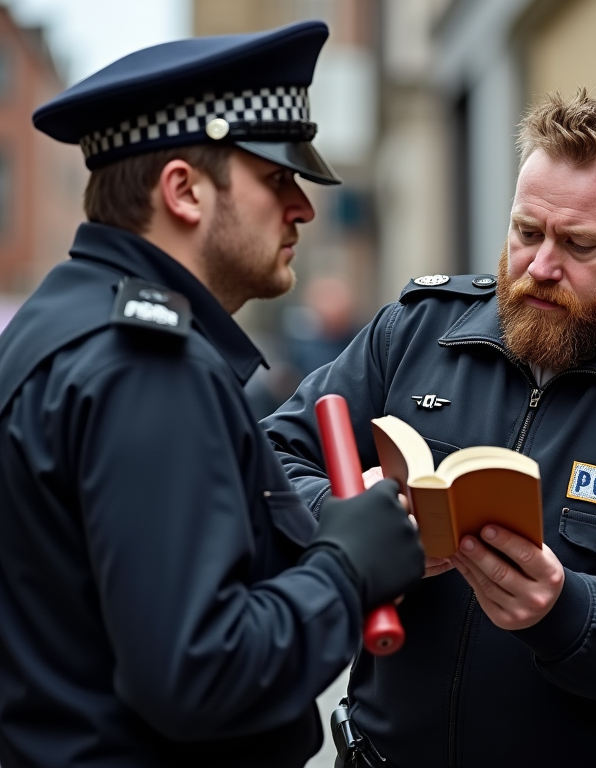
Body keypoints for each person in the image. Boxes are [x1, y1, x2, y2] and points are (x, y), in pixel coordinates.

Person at [263, 90, 596, 768]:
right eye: (526, 232)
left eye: (579, 245)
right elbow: (272, 459)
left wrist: (568, 611)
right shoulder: (421, 330)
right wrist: (345, 522)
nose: (541, 268)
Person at [0, 22, 424, 768]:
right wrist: (346, 568)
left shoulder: (57, 326)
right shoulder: (146, 366)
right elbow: (198, 671)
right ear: (184, 191)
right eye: (276, 178)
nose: (303, 208)